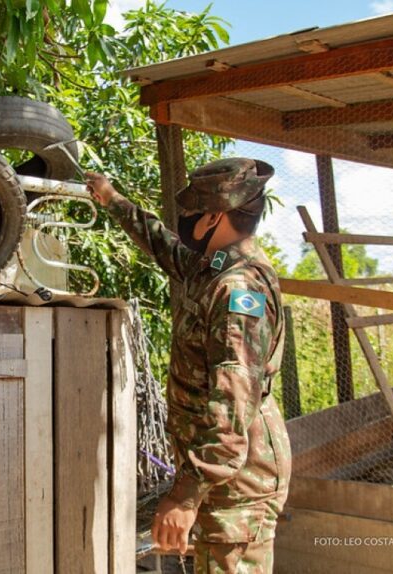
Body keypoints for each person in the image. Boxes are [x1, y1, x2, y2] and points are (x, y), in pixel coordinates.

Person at [87, 159, 291, 574]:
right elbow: (167, 249)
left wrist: (184, 495)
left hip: (237, 481)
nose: (184, 220)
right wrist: (112, 199)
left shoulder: (238, 291)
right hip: (221, 475)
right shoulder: (215, 268)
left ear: (214, 216)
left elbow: (233, 406)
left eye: (192, 211)